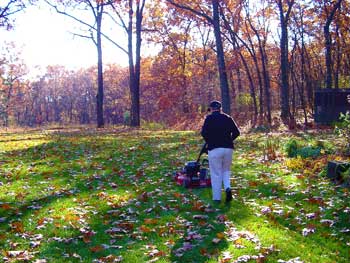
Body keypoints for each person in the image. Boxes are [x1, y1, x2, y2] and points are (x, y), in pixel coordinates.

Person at [201, 100, 240, 203]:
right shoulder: (227, 118)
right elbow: (237, 132)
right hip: (228, 149)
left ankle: (217, 198)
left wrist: (210, 141)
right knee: (226, 170)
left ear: (211, 109)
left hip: (214, 148)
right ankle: (227, 188)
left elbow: (203, 133)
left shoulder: (209, 119)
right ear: (220, 108)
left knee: (216, 173)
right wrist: (229, 141)